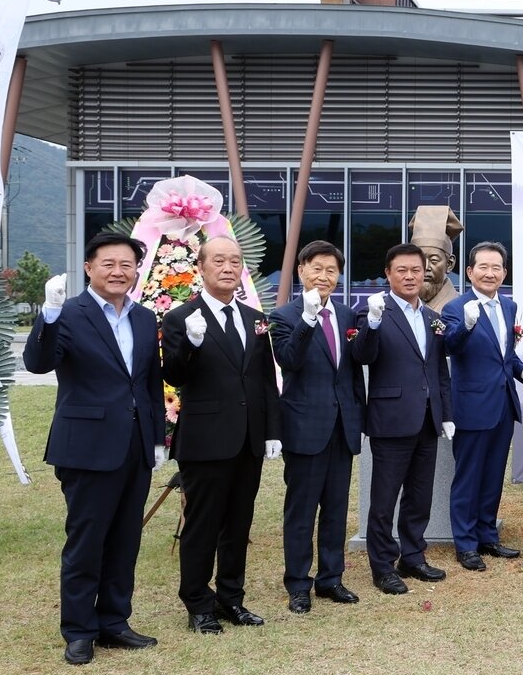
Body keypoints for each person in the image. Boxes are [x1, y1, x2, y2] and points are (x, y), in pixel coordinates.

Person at [24, 233, 165, 665]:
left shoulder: (143, 318)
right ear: (89, 267)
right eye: (108, 263)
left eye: (127, 264)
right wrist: (48, 314)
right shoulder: (69, 313)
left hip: (135, 445)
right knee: (87, 541)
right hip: (87, 447)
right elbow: (37, 362)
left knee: (125, 538)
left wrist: (158, 438)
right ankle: (79, 630)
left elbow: (148, 383)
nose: (118, 271)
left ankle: (114, 622)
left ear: (136, 271)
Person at [161, 236, 282, 634]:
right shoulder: (182, 318)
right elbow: (174, 375)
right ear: (201, 266)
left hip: (248, 440)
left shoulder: (255, 318)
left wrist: (271, 432)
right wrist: (192, 345)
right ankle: (198, 603)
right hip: (206, 439)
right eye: (219, 261)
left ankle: (232, 598)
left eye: (235, 261)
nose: (228, 267)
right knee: (203, 525)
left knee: (238, 523)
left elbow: (265, 380)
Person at [350, 243, 454, 595]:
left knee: (419, 495)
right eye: (402, 270)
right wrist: (374, 323)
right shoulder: (375, 312)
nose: (410, 276)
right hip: (391, 419)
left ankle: (413, 555)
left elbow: (439, 370)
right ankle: (382, 566)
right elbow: (362, 355)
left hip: (428, 420)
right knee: (384, 498)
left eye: (416, 270)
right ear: (388, 274)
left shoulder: (431, 318)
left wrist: (446, 414)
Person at [269, 240, 366, 614]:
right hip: (305, 428)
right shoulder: (284, 316)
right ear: (301, 271)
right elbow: (289, 360)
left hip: (342, 427)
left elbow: (354, 369)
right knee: (301, 511)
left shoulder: (346, 315)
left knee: (337, 510)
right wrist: (308, 320)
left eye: (331, 270)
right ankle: (298, 584)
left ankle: (331, 579)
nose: (324, 276)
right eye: (317, 268)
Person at [442, 241, 523, 571]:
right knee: (468, 477)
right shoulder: (455, 308)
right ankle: (466, 544)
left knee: (492, 476)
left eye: (497, 268)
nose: (490, 273)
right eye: (483, 267)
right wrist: (468, 324)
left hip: (504, 404)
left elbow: (507, 356)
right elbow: (449, 346)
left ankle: (488, 536)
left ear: (504, 272)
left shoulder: (509, 307)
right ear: (470, 271)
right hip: (472, 407)